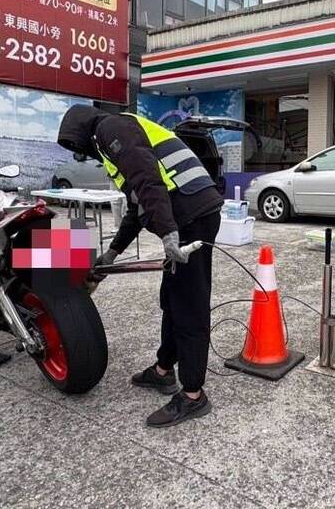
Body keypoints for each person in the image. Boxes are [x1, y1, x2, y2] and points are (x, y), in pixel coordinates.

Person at [57, 105, 223, 428]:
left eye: (77, 147)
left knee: (189, 304)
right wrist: (113, 253)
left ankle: (193, 395)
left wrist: (169, 234)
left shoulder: (109, 130)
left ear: (82, 134)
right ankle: (164, 371)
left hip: (192, 216)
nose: (82, 154)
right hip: (188, 212)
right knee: (173, 298)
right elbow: (138, 204)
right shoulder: (115, 137)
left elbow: (149, 179)